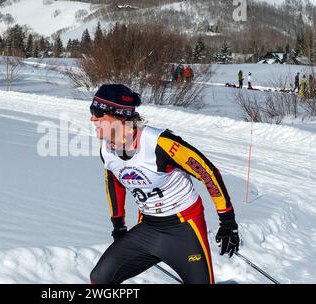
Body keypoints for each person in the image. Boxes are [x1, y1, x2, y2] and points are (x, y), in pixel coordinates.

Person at [89, 84, 240, 284]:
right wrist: (118, 224)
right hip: (149, 227)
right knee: (99, 279)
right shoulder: (106, 150)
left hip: (185, 228)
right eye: (92, 112)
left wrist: (228, 222)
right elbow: (114, 181)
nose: (92, 118)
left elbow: (208, 173)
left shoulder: (160, 143)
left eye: (98, 112)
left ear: (120, 116)